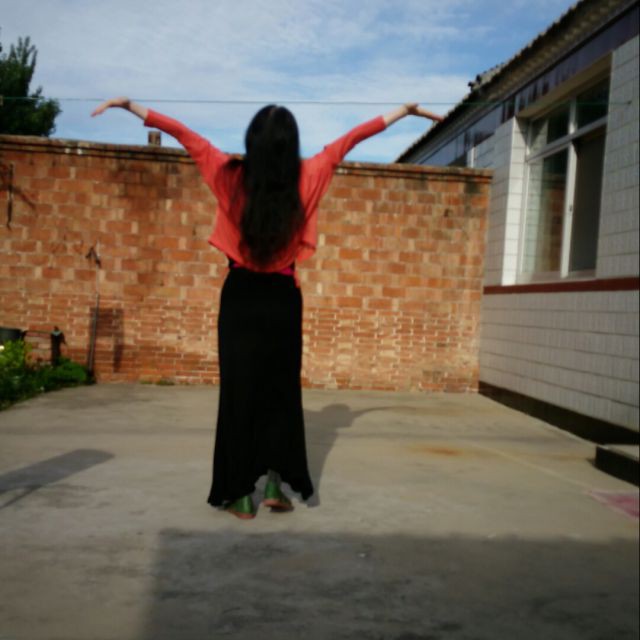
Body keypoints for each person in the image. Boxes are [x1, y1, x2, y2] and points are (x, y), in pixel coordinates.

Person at [91, 97, 440, 519]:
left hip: (240, 298)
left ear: (252, 141)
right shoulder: (310, 174)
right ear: (291, 143)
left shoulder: (228, 175)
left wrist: (132, 107)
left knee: (239, 395)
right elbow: (351, 139)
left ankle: (240, 494)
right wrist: (403, 112)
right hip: (282, 299)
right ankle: (275, 485)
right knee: (279, 394)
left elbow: (186, 136)